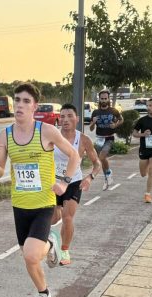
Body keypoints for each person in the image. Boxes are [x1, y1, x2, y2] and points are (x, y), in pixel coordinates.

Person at [0, 83, 80, 297]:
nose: (19, 105)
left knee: (31, 253)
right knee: (29, 259)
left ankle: (51, 243)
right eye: (17, 100)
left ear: (34, 107)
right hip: (19, 205)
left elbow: (74, 156)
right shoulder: (5, 135)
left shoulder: (47, 131)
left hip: (43, 204)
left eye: (26, 101)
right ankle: (43, 293)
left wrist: (64, 182)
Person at [51, 103, 101, 265]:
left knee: (67, 217)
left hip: (73, 182)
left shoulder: (84, 140)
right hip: (54, 183)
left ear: (77, 119)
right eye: (62, 116)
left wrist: (90, 177)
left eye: (69, 116)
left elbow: (97, 164)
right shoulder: (52, 137)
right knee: (52, 218)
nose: (65, 119)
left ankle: (65, 250)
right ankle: (53, 237)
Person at [89, 90, 124, 190]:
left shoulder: (113, 111)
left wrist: (115, 125)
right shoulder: (95, 112)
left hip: (109, 137)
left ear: (108, 99)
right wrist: (93, 123)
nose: (104, 100)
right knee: (102, 159)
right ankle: (107, 178)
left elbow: (121, 119)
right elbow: (91, 128)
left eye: (105, 98)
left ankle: (108, 173)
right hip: (99, 138)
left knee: (102, 156)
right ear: (99, 99)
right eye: (102, 99)